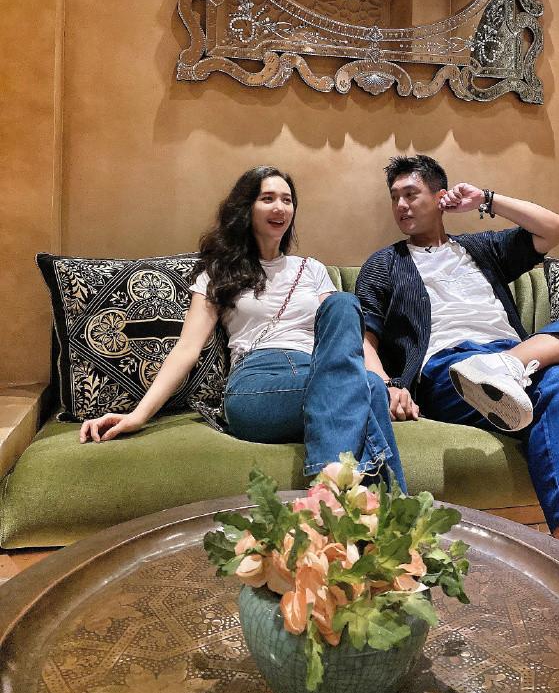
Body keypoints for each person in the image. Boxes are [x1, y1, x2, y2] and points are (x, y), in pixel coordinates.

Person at [356, 154, 559, 557]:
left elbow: (556, 228)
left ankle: (510, 366)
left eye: (411, 194)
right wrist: (386, 385)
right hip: (452, 372)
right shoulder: (384, 264)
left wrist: (487, 199)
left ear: (440, 197)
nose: (401, 205)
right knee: (558, 380)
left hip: (513, 359)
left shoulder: (481, 249)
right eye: (395, 197)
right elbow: (365, 339)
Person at [80, 165, 406, 490]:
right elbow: (187, 350)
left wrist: (387, 382)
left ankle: (332, 491)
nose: (280, 208)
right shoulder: (218, 273)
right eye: (268, 198)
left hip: (319, 369)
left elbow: (346, 341)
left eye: (287, 200)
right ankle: (381, 508)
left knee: (345, 307)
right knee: (365, 390)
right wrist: (138, 415)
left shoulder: (312, 270)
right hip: (257, 383)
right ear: (246, 208)